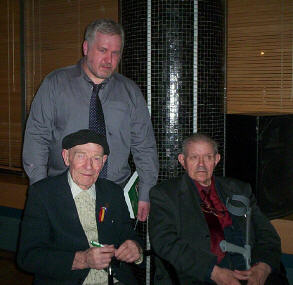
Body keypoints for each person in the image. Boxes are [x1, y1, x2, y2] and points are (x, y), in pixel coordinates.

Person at [22, 19, 159, 222]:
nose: (109, 60)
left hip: (114, 196)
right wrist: (41, 191)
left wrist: (146, 191)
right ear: (86, 47)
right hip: (63, 195)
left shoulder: (130, 92)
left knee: (111, 253)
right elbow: (36, 138)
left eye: (115, 53)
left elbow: (144, 146)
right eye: (103, 50)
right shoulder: (55, 84)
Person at [149, 133, 286, 285]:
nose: (201, 164)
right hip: (200, 272)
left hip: (249, 268)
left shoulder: (239, 189)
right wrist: (213, 272)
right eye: (194, 157)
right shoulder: (165, 194)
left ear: (216, 160)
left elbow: (267, 234)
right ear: (182, 160)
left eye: (207, 157)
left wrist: (262, 268)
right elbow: (164, 242)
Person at [18, 129, 144, 285]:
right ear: (66, 157)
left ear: (104, 161)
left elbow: (128, 235)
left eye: (96, 158)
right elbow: (28, 257)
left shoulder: (113, 192)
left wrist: (135, 248)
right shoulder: (43, 195)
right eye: (81, 156)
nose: (88, 166)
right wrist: (82, 259)